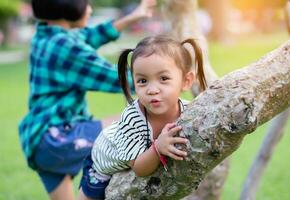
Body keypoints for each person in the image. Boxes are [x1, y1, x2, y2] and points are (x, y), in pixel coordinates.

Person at [18, 0, 156, 199]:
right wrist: (163, 79)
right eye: (86, 3)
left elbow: (91, 36)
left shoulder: (45, 34)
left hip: (38, 141)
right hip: (57, 137)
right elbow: (120, 80)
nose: (89, 9)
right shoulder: (68, 49)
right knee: (134, 122)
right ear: (68, 6)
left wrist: (133, 16)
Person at [77, 35, 207, 200]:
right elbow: (139, 168)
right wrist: (158, 147)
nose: (152, 89)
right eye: (143, 81)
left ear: (186, 81)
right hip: (104, 159)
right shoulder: (134, 118)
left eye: (164, 78)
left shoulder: (189, 111)